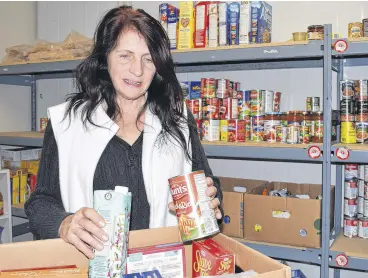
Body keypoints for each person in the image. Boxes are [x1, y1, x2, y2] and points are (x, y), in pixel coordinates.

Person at [24, 6, 223, 259]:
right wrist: (64, 223)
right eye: (125, 56)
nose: (137, 71)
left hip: (163, 267)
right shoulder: (66, 123)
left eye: (148, 58)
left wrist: (211, 198)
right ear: (105, 58)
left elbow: (207, 183)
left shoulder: (177, 118)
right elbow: (40, 203)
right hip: (93, 268)